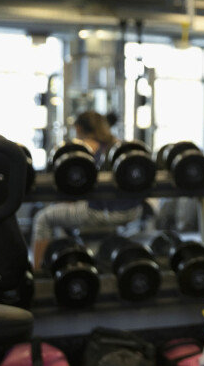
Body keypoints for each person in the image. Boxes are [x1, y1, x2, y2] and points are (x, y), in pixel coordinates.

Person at [31, 110, 143, 267]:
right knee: (63, 211)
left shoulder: (85, 148)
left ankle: (37, 271)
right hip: (132, 210)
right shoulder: (117, 145)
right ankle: (76, 252)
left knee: (43, 218)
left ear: (78, 128)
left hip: (101, 212)